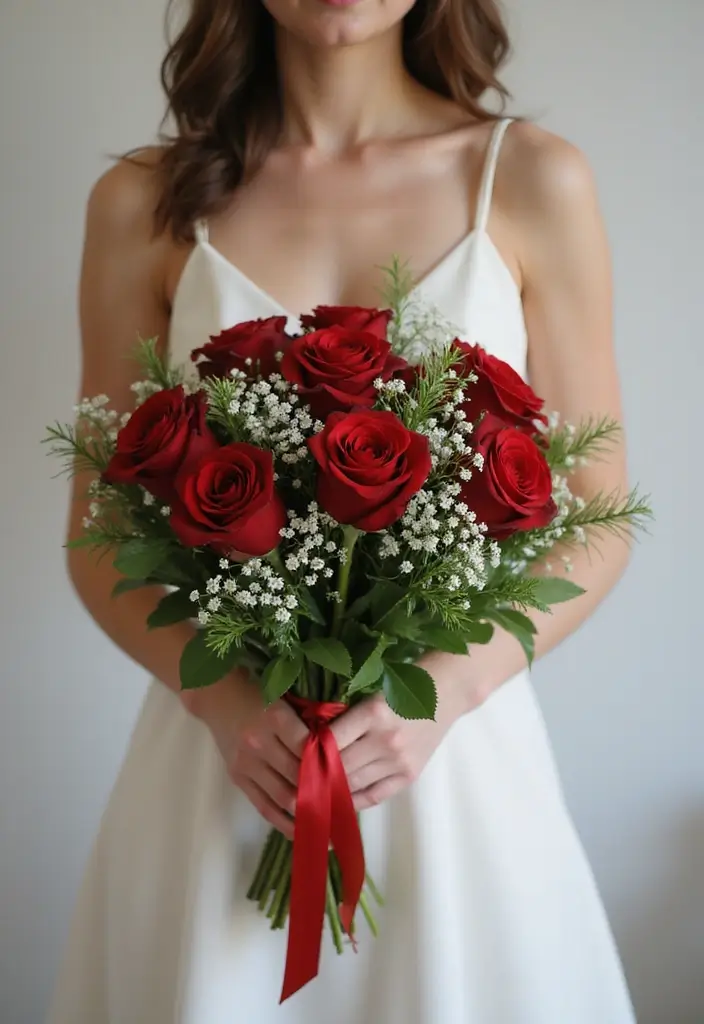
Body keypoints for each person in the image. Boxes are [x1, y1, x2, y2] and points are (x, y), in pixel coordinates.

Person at [49, 0, 638, 1021]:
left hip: (446, 765)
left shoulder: (532, 176)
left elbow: (599, 514)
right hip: (226, 769)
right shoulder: (139, 201)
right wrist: (227, 708)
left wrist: (445, 694)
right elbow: (97, 536)